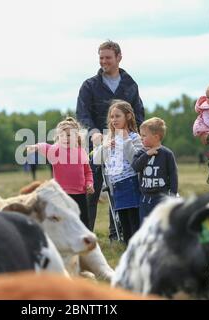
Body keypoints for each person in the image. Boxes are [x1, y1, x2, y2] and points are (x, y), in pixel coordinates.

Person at [76, 39, 145, 236]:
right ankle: (85, 236)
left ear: (118, 58)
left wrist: (133, 137)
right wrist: (94, 132)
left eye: (108, 57)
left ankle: (118, 234)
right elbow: (82, 113)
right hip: (97, 145)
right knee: (91, 191)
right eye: (101, 58)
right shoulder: (89, 86)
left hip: (124, 144)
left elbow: (138, 113)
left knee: (119, 188)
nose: (104, 61)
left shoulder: (130, 84)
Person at [27, 117, 94, 228]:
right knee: (65, 223)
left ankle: (85, 243)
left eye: (69, 135)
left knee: (83, 222)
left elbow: (88, 171)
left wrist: (89, 183)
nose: (65, 138)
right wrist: (35, 147)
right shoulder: (56, 150)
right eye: (62, 135)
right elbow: (45, 146)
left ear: (76, 136)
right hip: (63, 194)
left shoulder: (81, 151)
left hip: (80, 194)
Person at [92, 100, 142, 244]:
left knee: (134, 220)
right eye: (112, 117)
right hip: (116, 185)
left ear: (128, 116)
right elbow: (97, 160)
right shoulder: (109, 139)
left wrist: (125, 140)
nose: (114, 120)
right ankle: (126, 247)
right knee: (123, 220)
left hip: (131, 182)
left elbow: (136, 160)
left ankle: (137, 247)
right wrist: (104, 146)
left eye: (117, 116)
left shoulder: (134, 137)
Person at [131, 117, 178, 224]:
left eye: (144, 135)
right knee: (145, 225)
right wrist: (147, 155)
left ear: (156, 137)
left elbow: (173, 175)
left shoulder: (167, 154)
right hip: (144, 198)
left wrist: (173, 195)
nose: (141, 138)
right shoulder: (141, 153)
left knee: (160, 224)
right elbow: (135, 167)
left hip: (161, 198)